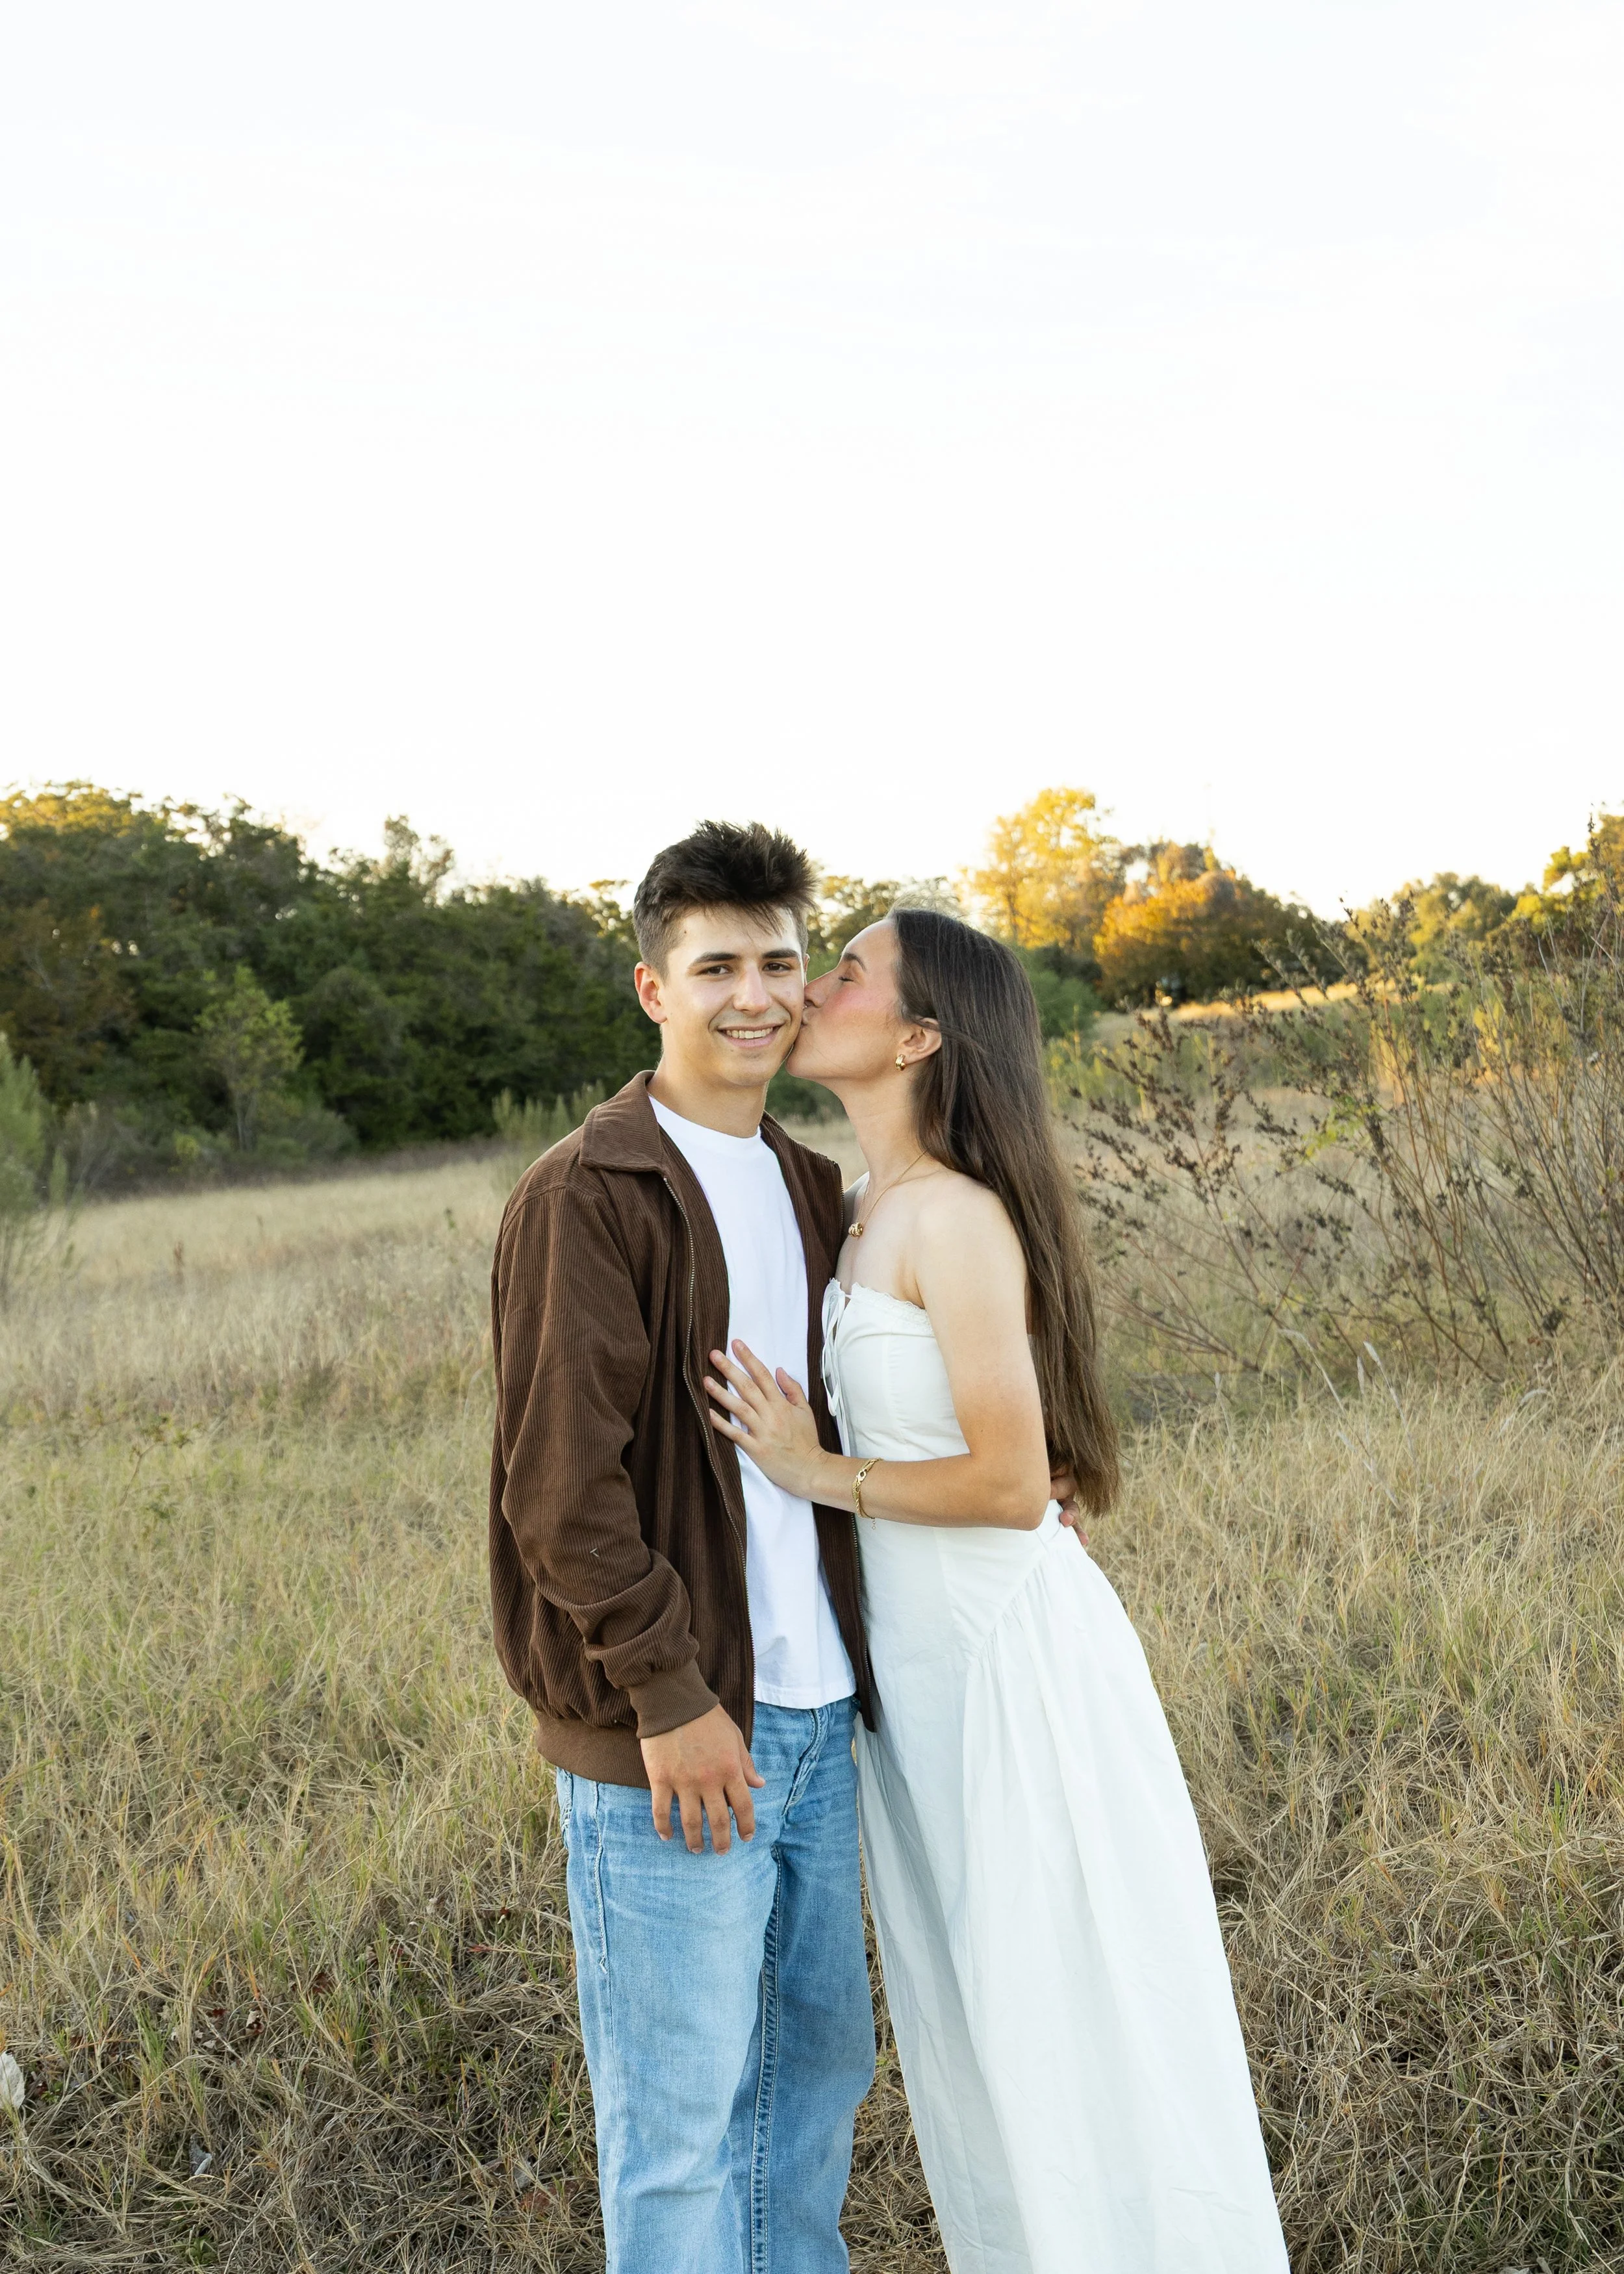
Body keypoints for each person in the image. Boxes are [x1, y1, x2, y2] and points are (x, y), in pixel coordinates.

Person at [704, 907, 1291, 2273]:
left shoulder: (953, 1217)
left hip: (1007, 1669)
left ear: (914, 1036)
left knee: (1065, 2017)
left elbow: (1010, 1484)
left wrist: (812, 1469)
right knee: (980, 2032)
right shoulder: (859, 1208)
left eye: (844, 970)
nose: (812, 987)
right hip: (921, 1680)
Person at [488, 821, 876, 2273]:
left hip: (822, 1718)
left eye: (778, 960)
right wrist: (666, 1694)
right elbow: (557, 1488)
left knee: (809, 2092)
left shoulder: (807, 1185)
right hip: (675, 1732)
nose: (754, 994)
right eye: (714, 966)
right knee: (676, 2132)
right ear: (654, 989)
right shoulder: (589, 1193)